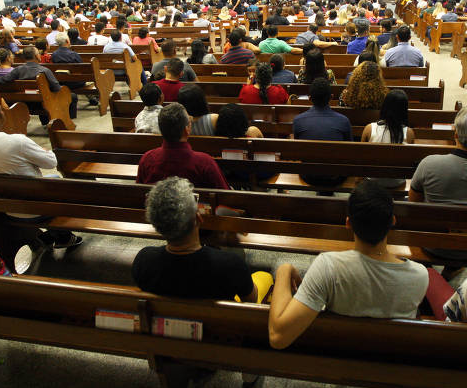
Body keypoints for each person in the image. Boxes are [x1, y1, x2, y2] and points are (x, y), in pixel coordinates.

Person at [268, 180, 430, 349]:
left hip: (339, 357)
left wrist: (283, 270)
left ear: (348, 224)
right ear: (393, 221)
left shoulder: (328, 267)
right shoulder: (420, 276)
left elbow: (277, 337)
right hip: (391, 362)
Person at [0, 95, 81, 248]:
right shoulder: (17, 142)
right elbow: (51, 161)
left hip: (3, 208)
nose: (4, 112)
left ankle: (47, 236)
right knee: (60, 184)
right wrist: (43, 151)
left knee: (52, 179)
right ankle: (62, 236)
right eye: (1, 110)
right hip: (37, 208)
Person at [132, 177, 270, 302]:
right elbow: (251, 300)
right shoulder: (230, 264)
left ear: (157, 225)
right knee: (265, 276)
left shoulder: (143, 260)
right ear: (198, 219)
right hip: (221, 325)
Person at [136, 102, 229, 188]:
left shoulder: (147, 159)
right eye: (189, 121)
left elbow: (138, 194)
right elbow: (225, 196)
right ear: (187, 129)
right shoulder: (205, 163)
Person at [0, 46, 78, 124]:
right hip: (44, 103)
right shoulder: (44, 71)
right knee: (72, 96)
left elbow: (2, 80)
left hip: (26, 103)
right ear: (36, 56)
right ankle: (66, 120)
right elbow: (57, 88)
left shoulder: (18, 70)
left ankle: (46, 122)